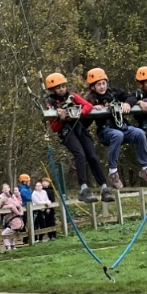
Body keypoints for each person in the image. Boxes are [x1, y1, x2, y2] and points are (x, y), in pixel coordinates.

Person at [82, 68, 147, 189]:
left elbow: (131, 97)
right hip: (106, 130)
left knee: (139, 133)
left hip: (122, 127)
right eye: (98, 84)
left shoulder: (114, 93)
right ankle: (113, 172)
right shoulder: (90, 100)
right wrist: (92, 108)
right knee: (117, 135)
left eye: (103, 83)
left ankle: (145, 168)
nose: (102, 87)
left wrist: (128, 103)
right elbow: (85, 121)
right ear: (93, 87)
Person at [43, 72, 105, 202]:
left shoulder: (72, 97)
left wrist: (79, 113)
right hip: (66, 131)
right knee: (80, 154)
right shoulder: (51, 104)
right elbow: (54, 128)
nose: (62, 89)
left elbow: (88, 105)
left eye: (63, 86)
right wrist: (60, 118)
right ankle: (83, 188)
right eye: (58, 87)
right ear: (53, 90)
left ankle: (103, 186)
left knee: (92, 155)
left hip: (79, 128)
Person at [0, 182, 24, 251]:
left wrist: (20, 212)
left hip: (14, 217)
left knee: (7, 233)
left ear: (9, 189)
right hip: (7, 215)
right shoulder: (1, 196)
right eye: (4, 188)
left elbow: (18, 204)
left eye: (7, 188)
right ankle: (11, 246)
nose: (5, 189)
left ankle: (9, 246)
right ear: (2, 190)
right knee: (10, 231)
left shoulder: (12, 195)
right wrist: (2, 203)